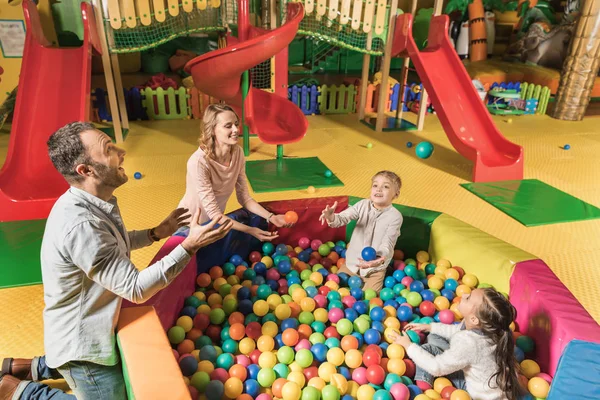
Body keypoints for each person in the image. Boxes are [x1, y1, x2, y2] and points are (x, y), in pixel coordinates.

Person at [0, 122, 232, 400]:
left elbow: (112, 244)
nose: (121, 152)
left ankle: (32, 366)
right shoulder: (82, 225)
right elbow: (135, 288)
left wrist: (155, 233)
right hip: (82, 346)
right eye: (108, 149)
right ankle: (21, 391)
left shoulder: (92, 200)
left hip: (87, 322)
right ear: (85, 171)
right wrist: (190, 245)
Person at [178, 104, 294, 241]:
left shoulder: (237, 153)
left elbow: (244, 197)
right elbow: (214, 213)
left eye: (236, 124)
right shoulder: (199, 162)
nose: (235, 129)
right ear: (213, 130)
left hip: (215, 223)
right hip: (188, 226)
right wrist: (250, 230)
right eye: (228, 126)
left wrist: (271, 217)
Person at [392, 288, 524, 400]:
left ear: (474, 319)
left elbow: (436, 367)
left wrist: (408, 345)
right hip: (490, 385)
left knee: (426, 349)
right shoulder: (494, 329)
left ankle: (424, 390)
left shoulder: (469, 343)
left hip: (475, 395)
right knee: (433, 336)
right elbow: (455, 330)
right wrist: (429, 327)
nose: (465, 294)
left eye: (468, 298)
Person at [319, 170, 403, 292]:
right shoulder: (363, 205)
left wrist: (378, 259)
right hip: (352, 265)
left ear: (396, 194)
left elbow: (388, 242)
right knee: (332, 290)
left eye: (385, 186)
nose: (378, 189)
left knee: (370, 299)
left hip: (374, 271)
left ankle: (386, 270)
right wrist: (332, 217)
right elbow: (343, 218)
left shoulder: (395, 216)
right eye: (375, 185)